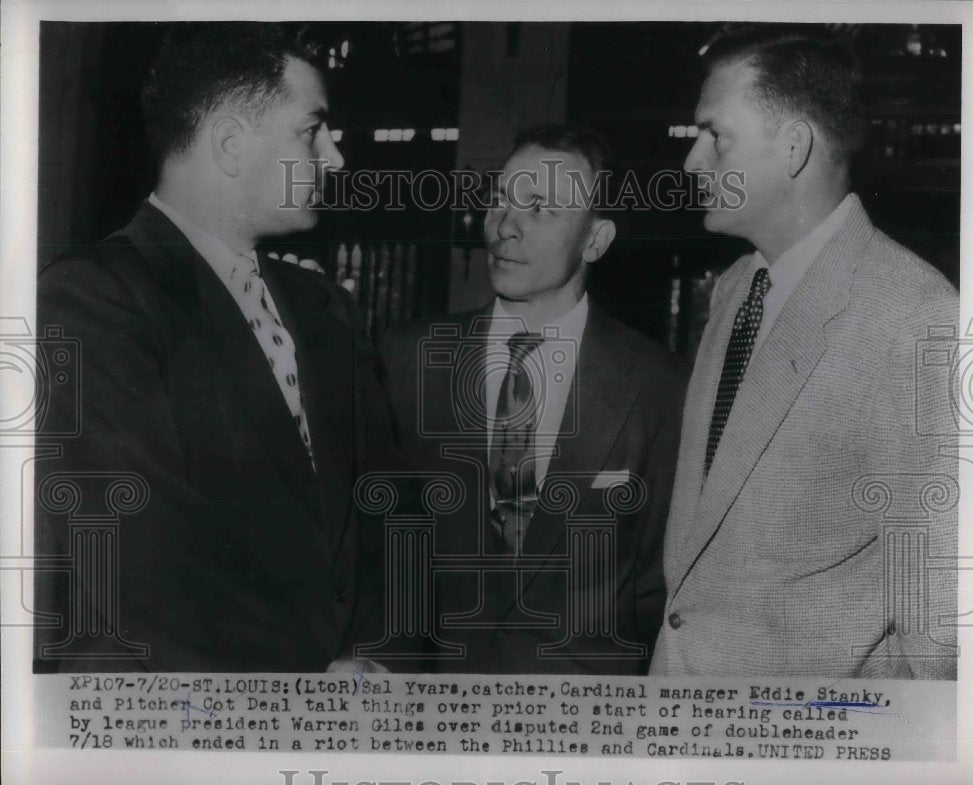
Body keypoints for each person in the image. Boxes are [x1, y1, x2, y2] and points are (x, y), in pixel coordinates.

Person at [34, 23, 394, 672]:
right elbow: (137, 561)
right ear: (230, 143)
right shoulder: (93, 298)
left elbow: (379, 516)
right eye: (313, 131)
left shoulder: (326, 307)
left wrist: (369, 661)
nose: (336, 158)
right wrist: (311, 680)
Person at [647, 26, 958, 678]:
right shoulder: (737, 287)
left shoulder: (916, 317)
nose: (691, 164)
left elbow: (941, 629)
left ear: (793, 146)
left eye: (715, 136)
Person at [380, 125, 689, 674]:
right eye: (499, 199)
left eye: (541, 208)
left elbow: (655, 584)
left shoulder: (660, 385)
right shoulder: (405, 362)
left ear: (596, 240)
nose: (505, 226)